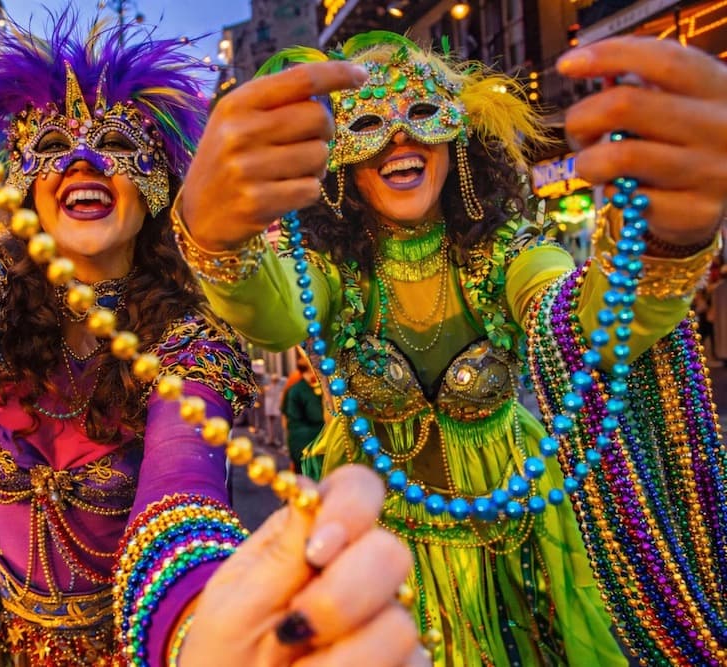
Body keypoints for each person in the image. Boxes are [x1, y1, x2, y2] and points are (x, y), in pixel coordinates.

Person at [0, 13, 424, 666]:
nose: (84, 163)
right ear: (27, 183)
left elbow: (182, 491)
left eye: (117, 144)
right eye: (53, 146)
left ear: (156, 184)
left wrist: (200, 622)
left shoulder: (191, 339)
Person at [178, 32, 727, 666]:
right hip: (381, 545)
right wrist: (219, 240)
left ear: (455, 141)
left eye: (420, 115)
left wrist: (664, 240)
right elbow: (274, 319)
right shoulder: (330, 271)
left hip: (517, 544)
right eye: (368, 123)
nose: (399, 139)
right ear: (341, 161)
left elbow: (581, 319)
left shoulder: (504, 253)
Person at [280, 357, 325, 474]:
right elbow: (316, 415)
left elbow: (285, 415)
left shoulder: (293, 387)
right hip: (310, 443)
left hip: (297, 442)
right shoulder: (304, 389)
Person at [261, 371, 285, 447]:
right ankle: (271, 438)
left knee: (275, 424)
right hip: (270, 407)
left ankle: (274, 439)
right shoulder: (269, 387)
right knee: (270, 424)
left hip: (275, 407)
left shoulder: (278, 387)